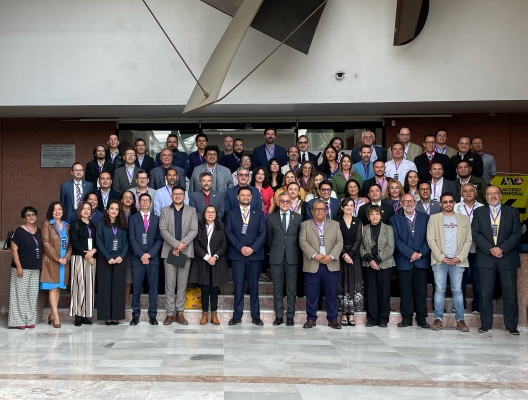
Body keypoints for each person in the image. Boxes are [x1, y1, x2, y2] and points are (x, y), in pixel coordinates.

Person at [472, 186, 522, 335]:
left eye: (495, 193)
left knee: (510, 292)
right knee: (485, 292)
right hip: (486, 258)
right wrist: (490, 249)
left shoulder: (512, 212)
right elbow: (475, 233)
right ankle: (486, 325)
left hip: (507, 258)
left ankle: (511, 326)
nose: (492, 196)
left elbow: (517, 233)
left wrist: (502, 248)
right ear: (485, 197)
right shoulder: (479, 212)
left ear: (500, 195)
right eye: (489, 194)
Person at [427, 193, 472, 332]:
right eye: (445, 202)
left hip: (458, 261)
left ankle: (460, 320)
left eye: (450, 201)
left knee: (457, 290)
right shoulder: (434, 219)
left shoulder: (464, 219)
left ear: (454, 203)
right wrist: (440, 257)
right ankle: (438, 319)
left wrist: (460, 257)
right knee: (439, 290)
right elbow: (431, 239)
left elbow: (468, 240)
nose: (448, 204)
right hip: (440, 261)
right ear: (440, 204)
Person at [299, 199, 344, 329]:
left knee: (332, 293)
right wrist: (315, 255)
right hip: (313, 264)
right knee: (312, 294)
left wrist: (331, 256)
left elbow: (339, 242)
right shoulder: (305, 225)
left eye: (322, 209)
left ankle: (333, 319)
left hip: (330, 264)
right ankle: (311, 319)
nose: (319, 211)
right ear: (312, 212)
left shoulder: (335, 224)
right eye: (317, 209)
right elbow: (303, 242)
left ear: (327, 211)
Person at [225, 187, 267, 326]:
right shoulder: (230, 213)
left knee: (254, 286)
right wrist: (240, 247)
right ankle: (237, 315)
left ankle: (256, 316)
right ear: (238, 197)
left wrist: (252, 248)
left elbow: (263, 233)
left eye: (248, 195)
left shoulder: (259, 213)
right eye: (243, 195)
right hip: (237, 255)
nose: (245, 197)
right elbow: (229, 232)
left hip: (254, 255)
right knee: (238, 286)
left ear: (252, 197)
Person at [159, 185, 198, 325]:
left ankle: (179, 312)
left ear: (184, 195)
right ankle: (169, 313)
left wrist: (181, 245)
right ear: (171, 196)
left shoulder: (191, 211)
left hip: (185, 252)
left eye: (180, 194)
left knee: (182, 284)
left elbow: (194, 230)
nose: (177, 196)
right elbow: (163, 230)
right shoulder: (164, 211)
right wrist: (176, 245)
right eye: (175, 194)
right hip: (169, 251)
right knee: (170, 284)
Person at [389, 194, 430, 329]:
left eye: (411, 201)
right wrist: (410, 253)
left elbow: (429, 239)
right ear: (401, 203)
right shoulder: (394, 219)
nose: (408, 203)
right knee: (405, 291)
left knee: (421, 291)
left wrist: (420, 253)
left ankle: (421, 318)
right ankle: (406, 318)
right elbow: (395, 240)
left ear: (415, 202)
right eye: (405, 201)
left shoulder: (425, 217)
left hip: (421, 260)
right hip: (404, 260)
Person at [189, 205, 231, 325]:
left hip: (216, 262)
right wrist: (207, 257)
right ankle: (204, 315)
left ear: (216, 214)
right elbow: (196, 244)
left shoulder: (220, 227)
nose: (210, 214)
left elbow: (224, 244)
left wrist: (215, 256)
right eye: (208, 212)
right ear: (204, 214)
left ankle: (214, 314)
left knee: (214, 289)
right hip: (203, 262)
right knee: (205, 289)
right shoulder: (199, 227)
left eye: (213, 212)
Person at [266, 192, 302, 326]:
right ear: (278, 203)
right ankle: (279, 315)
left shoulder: (298, 218)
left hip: (293, 257)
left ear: (291, 203)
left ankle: (291, 315)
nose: (285, 203)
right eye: (282, 201)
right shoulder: (271, 218)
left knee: (292, 288)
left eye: (288, 201)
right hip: (276, 257)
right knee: (278, 288)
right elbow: (269, 239)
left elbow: (300, 238)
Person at [128, 193, 163, 326]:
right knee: (136, 288)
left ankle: (152, 315)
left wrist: (150, 254)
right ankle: (135, 315)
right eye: (142, 200)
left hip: (152, 259)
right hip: (137, 260)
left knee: (153, 288)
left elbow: (159, 239)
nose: (144, 202)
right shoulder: (133, 218)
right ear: (138, 203)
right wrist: (141, 254)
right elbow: (131, 238)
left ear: (151, 203)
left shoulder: (157, 218)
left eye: (147, 200)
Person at [8, 206, 43, 330]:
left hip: (35, 268)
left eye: (33, 214)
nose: (31, 217)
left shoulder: (39, 231)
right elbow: (14, 250)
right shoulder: (19, 231)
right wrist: (18, 266)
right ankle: (19, 321)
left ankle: (29, 320)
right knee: (20, 295)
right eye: (28, 215)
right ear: (24, 217)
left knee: (32, 295)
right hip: (22, 268)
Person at [360, 205, 395, 327]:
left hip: (385, 264)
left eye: (377, 214)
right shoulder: (364, 229)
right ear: (368, 217)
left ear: (381, 215)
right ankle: (372, 318)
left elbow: (390, 247)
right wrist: (370, 260)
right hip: (368, 264)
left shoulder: (388, 229)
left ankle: (383, 319)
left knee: (384, 291)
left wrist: (378, 260)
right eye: (372, 214)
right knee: (371, 291)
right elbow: (361, 247)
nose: (375, 216)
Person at [96, 200, 129, 325]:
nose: (114, 211)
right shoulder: (101, 223)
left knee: (118, 287)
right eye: (112, 208)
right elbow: (98, 241)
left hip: (120, 258)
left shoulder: (123, 224)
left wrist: (122, 256)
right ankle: (106, 316)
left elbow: (127, 242)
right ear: (108, 210)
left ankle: (116, 316)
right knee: (105, 287)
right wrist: (108, 256)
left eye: (116, 209)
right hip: (105, 258)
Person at [41, 201, 72, 329]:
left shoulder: (67, 226)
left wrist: (66, 257)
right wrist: (58, 258)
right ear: (51, 212)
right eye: (54, 210)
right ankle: (56, 317)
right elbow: (46, 243)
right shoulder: (47, 224)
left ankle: (51, 315)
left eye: (59, 209)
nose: (57, 212)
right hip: (52, 261)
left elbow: (70, 244)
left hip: (63, 262)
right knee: (53, 288)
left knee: (58, 288)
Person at [454, 183, 484, 313]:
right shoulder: (456, 207)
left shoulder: (482, 208)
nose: (468, 193)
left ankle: (476, 306)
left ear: (475, 193)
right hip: (460, 248)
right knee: (460, 278)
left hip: (478, 249)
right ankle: (460, 305)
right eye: (465, 191)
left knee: (478, 278)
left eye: (471, 191)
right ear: (461, 194)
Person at [69, 201, 97, 327]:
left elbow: (98, 242)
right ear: (79, 210)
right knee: (78, 286)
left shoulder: (94, 226)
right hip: (78, 258)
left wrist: (93, 252)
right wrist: (86, 255)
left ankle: (86, 314)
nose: (86, 210)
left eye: (88, 208)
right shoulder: (75, 224)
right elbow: (74, 242)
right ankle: (77, 314)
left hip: (92, 258)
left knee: (89, 286)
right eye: (83, 208)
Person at [336, 197, 363, 326]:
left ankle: (351, 313)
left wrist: (350, 254)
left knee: (353, 281)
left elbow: (359, 240)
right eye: (346, 205)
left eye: (351, 205)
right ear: (342, 207)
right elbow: (336, 239)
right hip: (341, 255)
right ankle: (343, 313)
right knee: (342, 281)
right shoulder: (336, 222)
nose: (349, 207)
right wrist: (344, 254)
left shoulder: (358, 221)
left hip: (354, 256)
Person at [120, 190, 137, 308]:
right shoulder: (116, 212)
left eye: (130, 197)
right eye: (125, 197)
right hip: (118, 247)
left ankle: (126, 300)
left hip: (132, 248)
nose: (127, 199)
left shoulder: (136, 214)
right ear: (121, 199)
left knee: (128, 275)